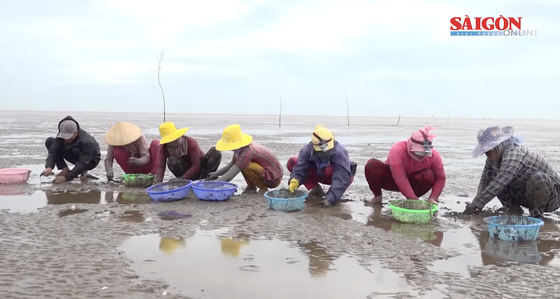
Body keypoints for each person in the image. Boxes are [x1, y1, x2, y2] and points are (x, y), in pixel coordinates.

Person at [464, 126, 560, 218]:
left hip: (551, 197)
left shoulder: (514, 153)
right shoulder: (493, 159)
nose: (486, 154)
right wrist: (476, 204)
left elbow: (501, 180)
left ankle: (536, 216)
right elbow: (485, 180)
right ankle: (513, 208)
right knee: (491, 174)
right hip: (526, 193)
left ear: (497, 147)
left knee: (538, 178)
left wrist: (477, 203)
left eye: (488, 150)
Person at [364, 126, 446, 205]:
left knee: (429, 175)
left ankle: (412, 199)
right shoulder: (397, 150)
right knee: (372, 164)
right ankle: (377, 196)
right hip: (392, 180)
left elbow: (441, 178)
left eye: (424, 154)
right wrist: (413, 199)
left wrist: (433, 197)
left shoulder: (434, 156)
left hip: (415, 183)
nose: (420, 157)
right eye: (418, 153)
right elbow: (400, 177)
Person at [287, 125, 357, 208]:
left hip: (340, 176)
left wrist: (330, 199)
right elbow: (300, 167)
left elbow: (341, 178)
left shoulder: (340, 152)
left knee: (330, 171)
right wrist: (294, 180)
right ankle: (315, 188)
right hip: (319, 174)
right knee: (292, 162)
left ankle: (334, 193)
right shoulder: (307, 150)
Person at [207, 124, 283, 195]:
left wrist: (213, 185)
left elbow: (230, 175)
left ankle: (263, 188)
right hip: (264, 172)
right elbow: (231, 165)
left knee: (245, 166)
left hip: (273, 178)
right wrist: (216, 173)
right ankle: (251, 187)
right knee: (240, 164)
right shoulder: (239, 150)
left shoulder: (247, 151)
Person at [154, 122, 221, 184]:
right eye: (173, 139)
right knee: (172, 161)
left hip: (201, 168)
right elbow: (161, 166)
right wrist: (159, 181)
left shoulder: (190, 142)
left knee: (215, 151)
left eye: (177, 136)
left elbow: (196, 165)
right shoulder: (164, 148)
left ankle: (208, 178)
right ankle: (186, 181)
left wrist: (182, 178)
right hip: (185, 171)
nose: (176, 140)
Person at [41, 116, 101, 184]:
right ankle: (64, 169)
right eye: (64, 137)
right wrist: (49, 167)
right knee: (50, 141)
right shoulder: (62, 133)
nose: (66, 139)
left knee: (76, 150)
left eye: (68, 137)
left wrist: (66, 177)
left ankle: (82, 171)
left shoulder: (87, 141)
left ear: (75, 133)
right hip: (72, 152)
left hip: (90, 161)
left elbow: (83, 162)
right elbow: (53, 150)